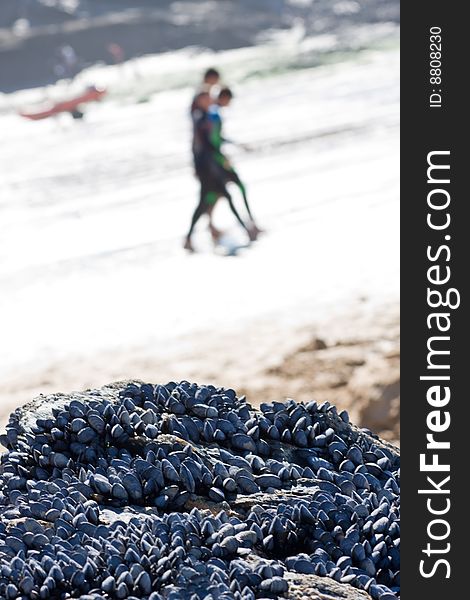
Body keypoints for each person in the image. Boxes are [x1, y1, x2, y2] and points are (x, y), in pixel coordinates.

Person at [184, 90, 255, 252]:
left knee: (205, 203)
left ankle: (191, 237)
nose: (210, 100)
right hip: (209, 168)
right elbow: (205, 146)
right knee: (210, 201)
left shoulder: (205, 116)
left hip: (210, 166)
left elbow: (212, 142)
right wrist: (221, 161)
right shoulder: (202, 118)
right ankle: (248, 229)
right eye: (206, 98)